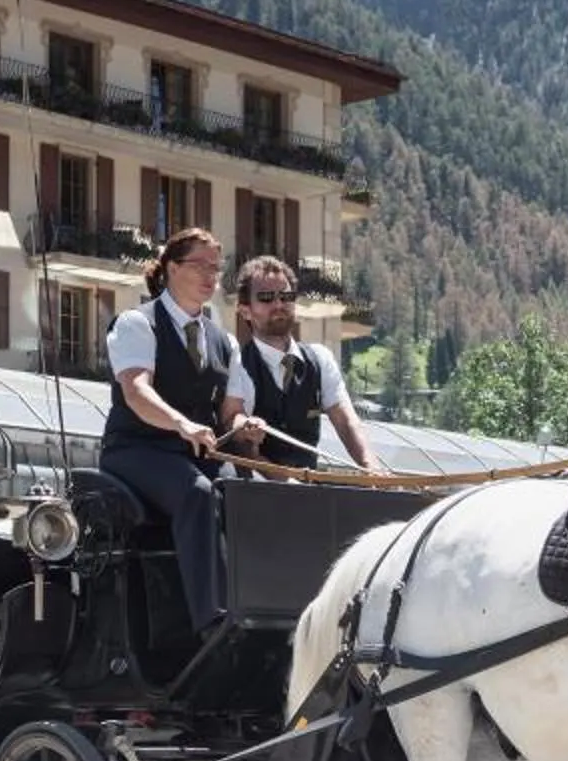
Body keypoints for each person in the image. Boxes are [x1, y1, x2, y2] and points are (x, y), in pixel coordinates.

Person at [99, 227, 252, 634]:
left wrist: (245, 425)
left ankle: (259, 611)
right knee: (197, 493)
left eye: (216, 268)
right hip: (136, 450)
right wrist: (182, 424)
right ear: (171, 268)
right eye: (200, 265)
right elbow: (136, 392)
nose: (210, 276)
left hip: (195, 454)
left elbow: (231, 413)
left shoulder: (226, 342)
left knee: (247, 495)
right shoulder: (137, 323)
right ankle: (214, 620)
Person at [228, 253, 385, 474]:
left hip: (309, 485)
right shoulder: (237, 365)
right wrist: (287, 483)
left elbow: (345, 421)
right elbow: (241, 447)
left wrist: (371, 467)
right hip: (258, 487)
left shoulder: (320, 359)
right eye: (266, 297)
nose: (279, 304)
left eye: (286, 296)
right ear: (245, 310)